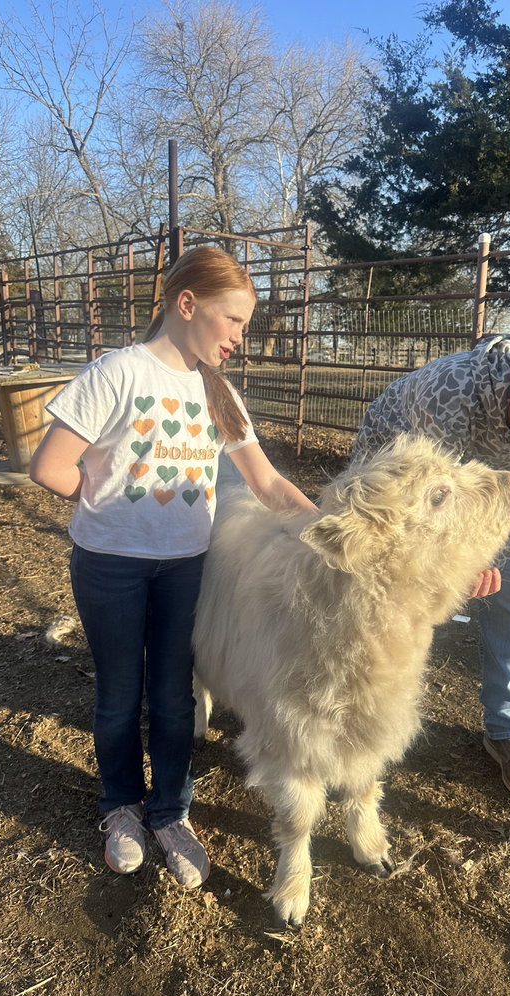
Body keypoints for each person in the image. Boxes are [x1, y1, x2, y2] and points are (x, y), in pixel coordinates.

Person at [29, 246, 317, 887]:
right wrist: (106, 503)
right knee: (119, 693)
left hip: (186, 568)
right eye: (233, 319)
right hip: (111, 567)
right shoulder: (116, 374)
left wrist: (328, 528)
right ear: (187, 304)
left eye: (244, 324)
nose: (240, 337)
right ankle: (121, 808)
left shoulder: (217, 392)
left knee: (173, 694)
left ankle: (170, 813)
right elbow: (49, 467)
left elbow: (266, 482)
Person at [352, 327, 510, 801]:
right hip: (398, 487)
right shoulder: (452, 389)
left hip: (482, 496)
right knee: (378, 594)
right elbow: (430, 497)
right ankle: (350, 702)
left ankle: (507, 729)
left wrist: (490, 559)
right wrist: (463, 561)